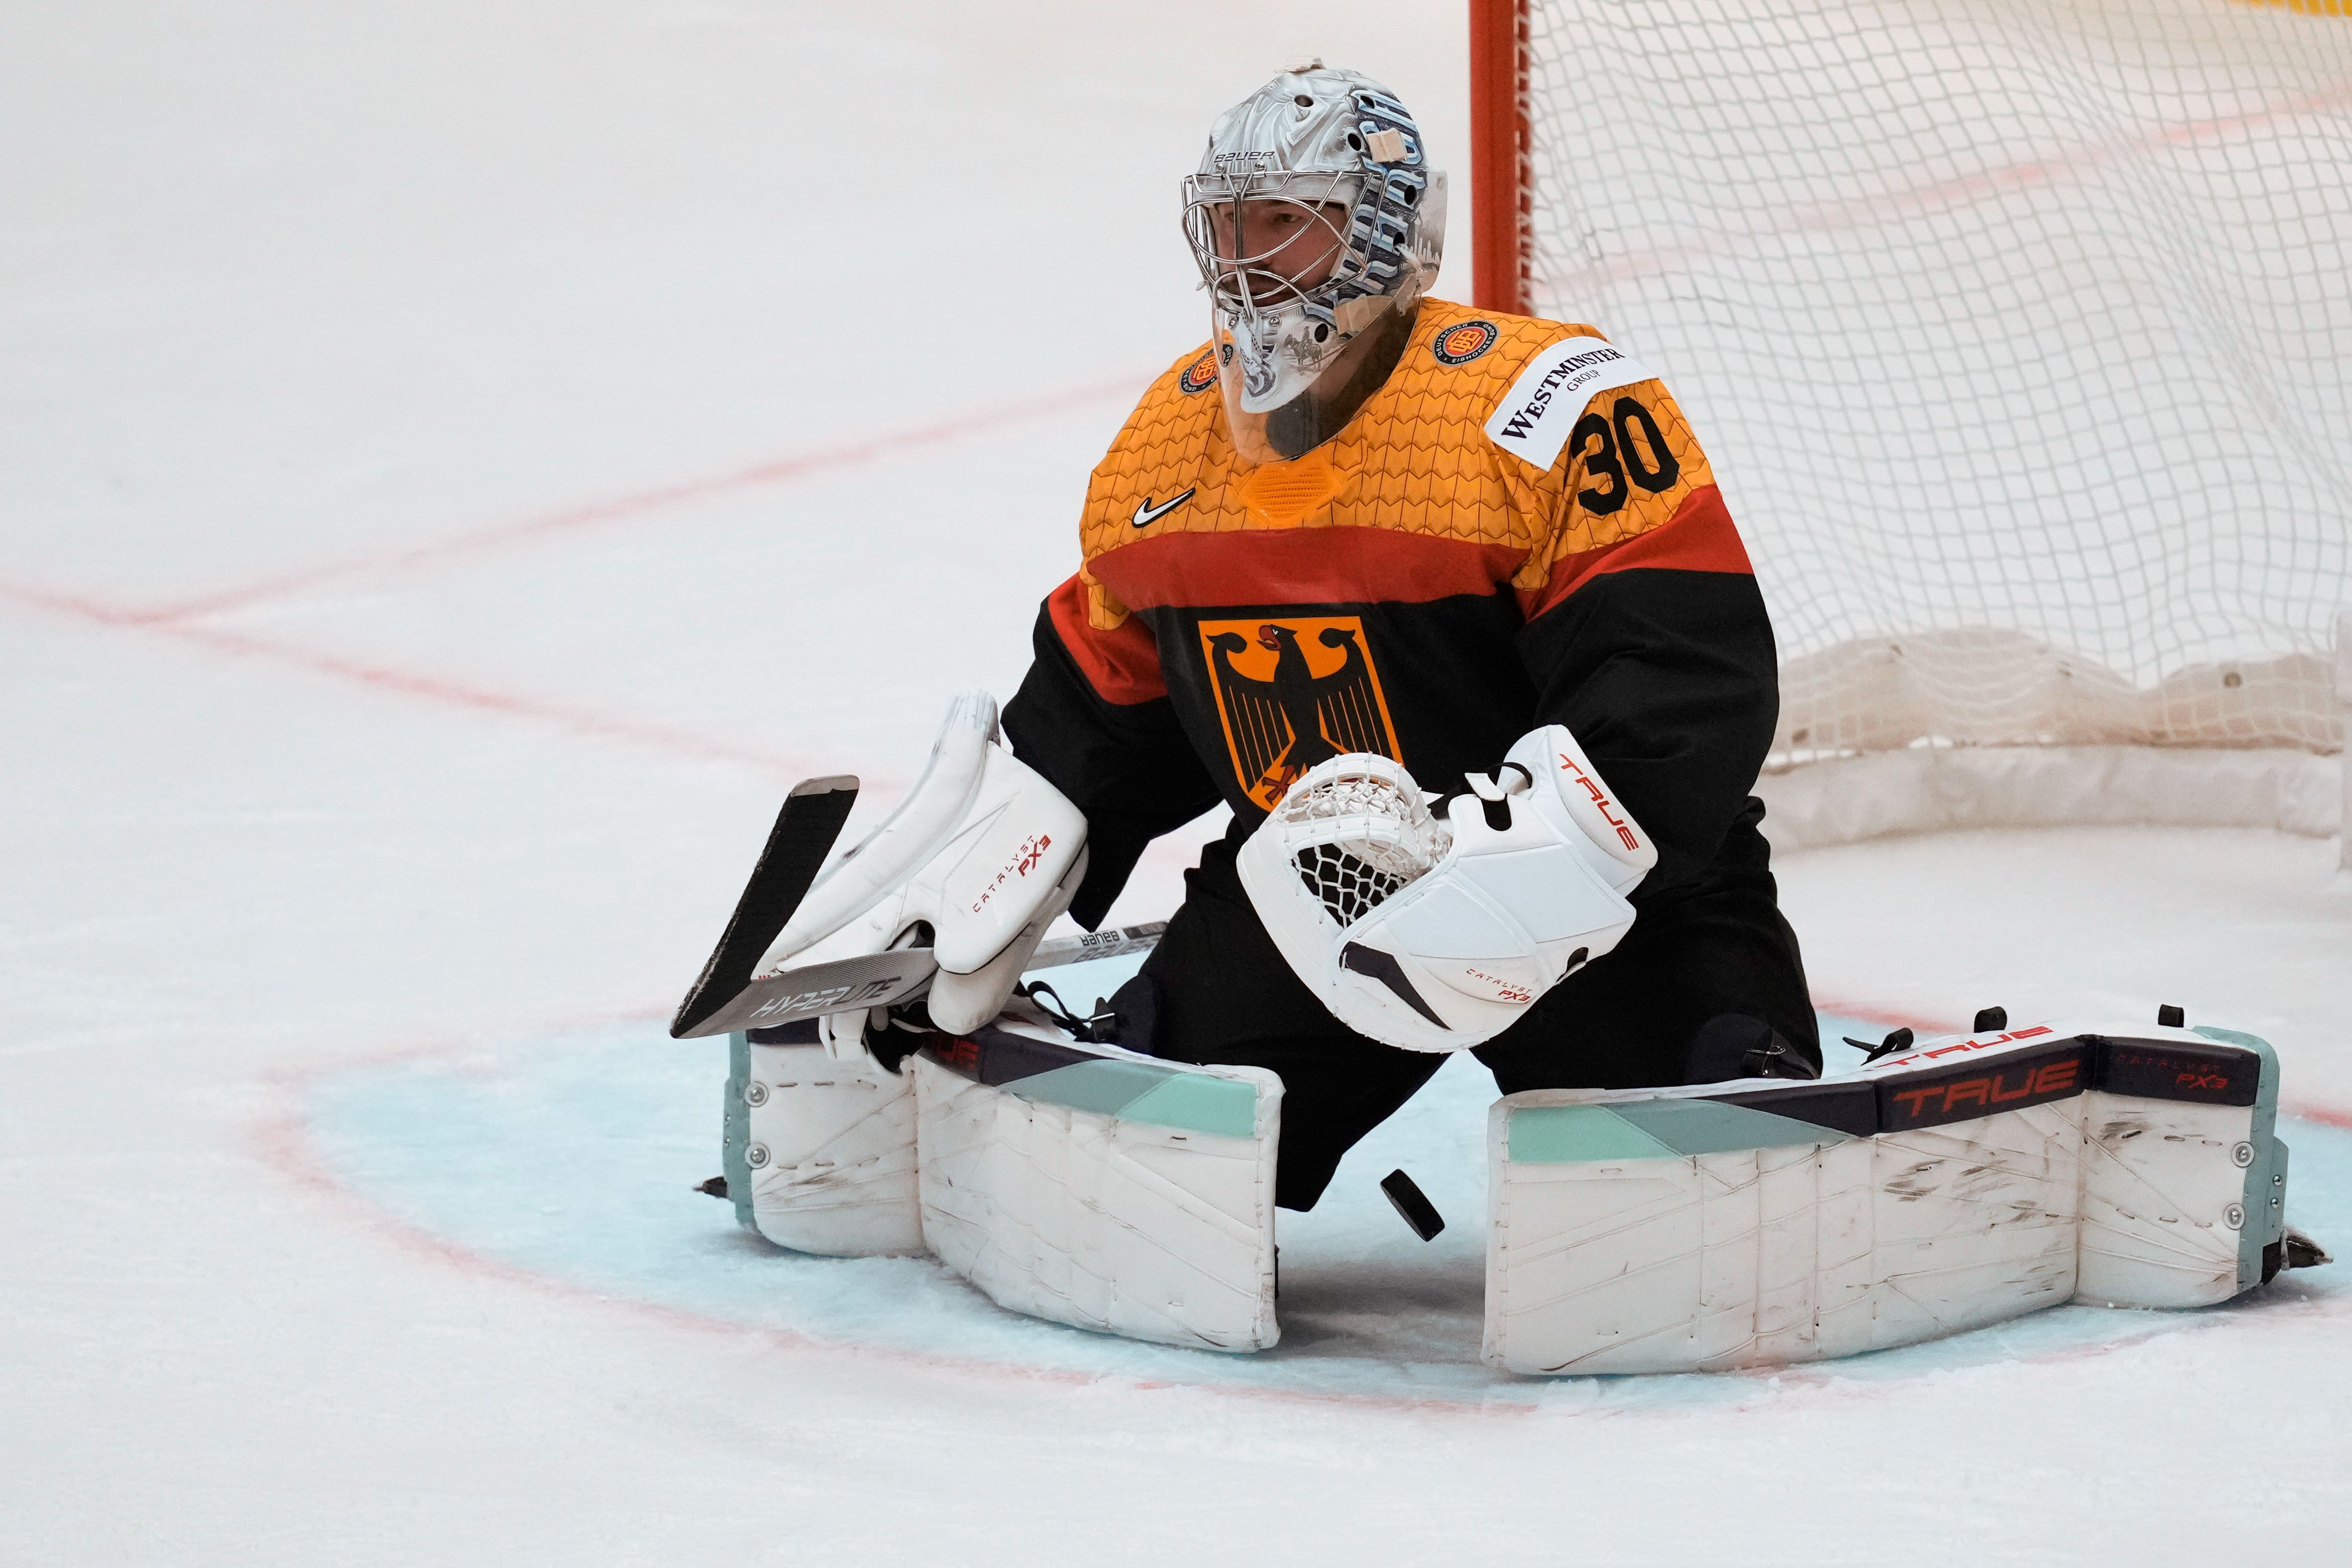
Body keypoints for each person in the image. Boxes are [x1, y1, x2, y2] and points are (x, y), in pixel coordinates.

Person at [998, 62, 1817, 1213]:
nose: (1247, 257)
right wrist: (1001, 858)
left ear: (1386, 231)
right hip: (1308, 891)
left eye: (1287, 222)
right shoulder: (1164, 442)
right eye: (1229, 222)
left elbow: (1681, 675)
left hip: (1602, 897)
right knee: (1128, 1174)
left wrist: (1542, 859)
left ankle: (1703, 1070)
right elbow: (1109, 708)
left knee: (1710, 1180)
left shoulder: (1547, 400)